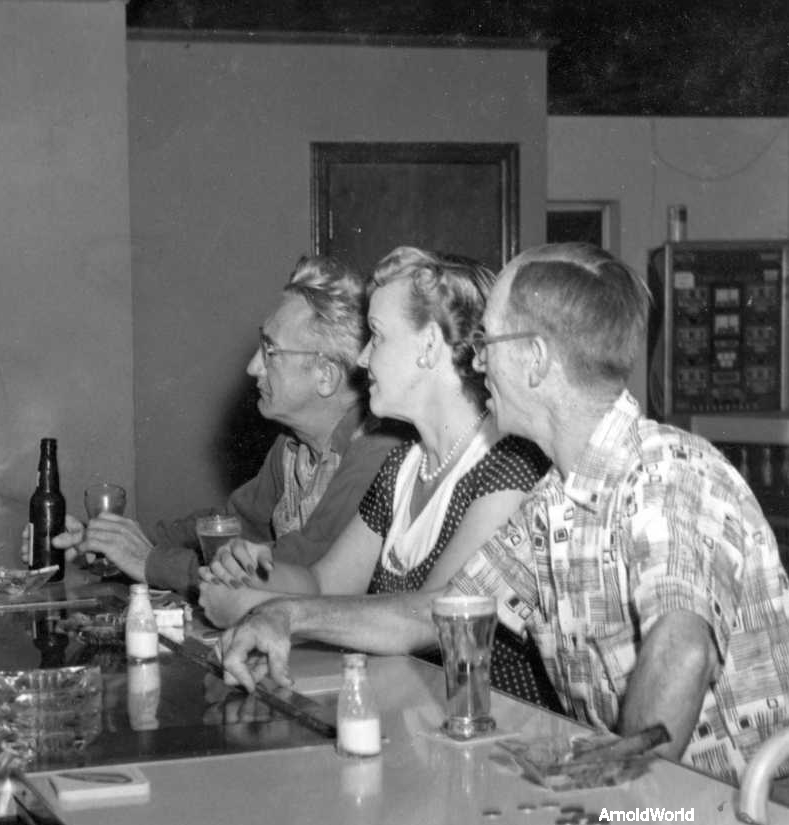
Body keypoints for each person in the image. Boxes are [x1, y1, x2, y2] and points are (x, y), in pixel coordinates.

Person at [218, 242, 789, 785]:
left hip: (755, 811)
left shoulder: (664, 475)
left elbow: (683, 650)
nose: (475, 365)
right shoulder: (552, 501)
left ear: (535, 361)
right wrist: (285, 614)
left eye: (487, 343)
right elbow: (437, 614)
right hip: (659, 801)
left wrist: (619, 819)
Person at [201, 247, 556, 707]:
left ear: (429, 347)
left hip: (502, 726)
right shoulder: (404, 465)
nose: (364, 358)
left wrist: (278, 612)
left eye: (378, 336)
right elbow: (326, 583)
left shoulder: (507, 469)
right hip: (417, 713)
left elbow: (433, 616)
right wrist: (256, 572)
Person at [41, 255, 403, 596]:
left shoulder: (374, 454)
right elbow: (230, 527)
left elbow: (292, 571)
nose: (253, 367)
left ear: (325, 375)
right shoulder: (292, 447)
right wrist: (108, 541)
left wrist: (148, 561)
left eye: (270, 352)